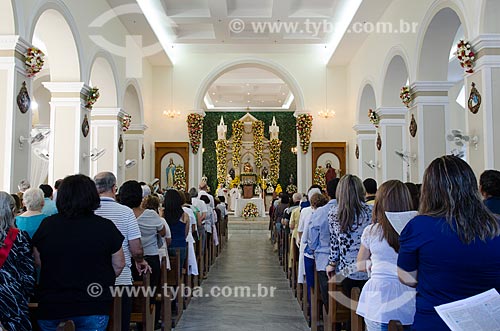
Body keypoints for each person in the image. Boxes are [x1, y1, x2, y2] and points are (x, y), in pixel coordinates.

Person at [397, 156, 500, 331]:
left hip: (436, 322)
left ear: (429, 190)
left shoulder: (419, 226)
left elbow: (406, 277)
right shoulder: (496, 225)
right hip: (488, 323)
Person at [32, 175, 125, 331]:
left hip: (52, 304)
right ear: (92, 196)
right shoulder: (105, 227)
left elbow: (37, 259)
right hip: (92, 304)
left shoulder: (48, 225)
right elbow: (119, 264)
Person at [93, 172, 150, 331]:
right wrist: (140, 261)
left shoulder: (89, 211)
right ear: (114, 188)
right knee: (121, 322)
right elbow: (136, 247)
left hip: (93, 278)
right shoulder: (125, 211)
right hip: (121, 278)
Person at [356, 180, 416, 331]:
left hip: (378, 298)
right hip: (409, 297)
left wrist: (374, 266)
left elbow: (360, 265)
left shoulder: (372, 231)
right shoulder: (416, 230)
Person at [327, 175, 372, 296]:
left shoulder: (334, 213)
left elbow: (334, 243)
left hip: (347, 271)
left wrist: (331, 264)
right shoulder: (372, 211)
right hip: (370, 269)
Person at [0, 192, 35, 331]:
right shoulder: (19, 237)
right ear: (12, 210)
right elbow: (27, 272)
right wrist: (28, 293)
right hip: (11, 297)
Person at [307, 178, 340, 310]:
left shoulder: (320, 212)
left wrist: (313, 249)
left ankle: (330, 318)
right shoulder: (352, 209)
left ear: (327, 192)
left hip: (324, 259)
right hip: (348, 262)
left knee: (328, 295)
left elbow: (312, 236)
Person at [302, 192, 328, 320]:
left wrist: (310, 248)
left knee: (313, 282)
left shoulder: (312, 213)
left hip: (317, 255)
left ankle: (314, 311)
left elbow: (309, 237)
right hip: (331, 257)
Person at [164, 190, 189, 266]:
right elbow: (186, 233)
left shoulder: (163, 214)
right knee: (178, 270)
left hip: (166, 246)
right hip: (180, 245)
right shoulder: (184, 215)